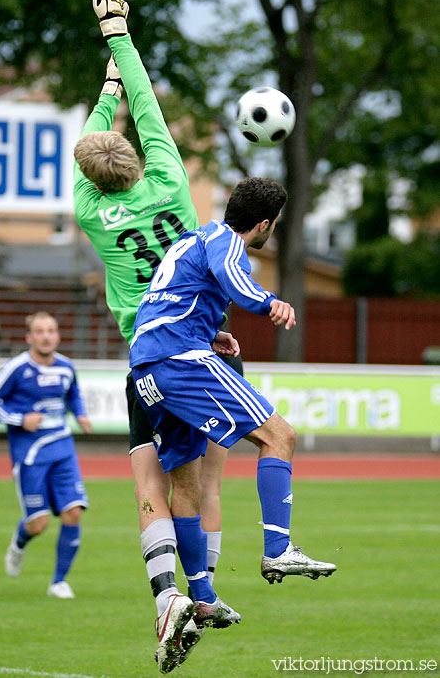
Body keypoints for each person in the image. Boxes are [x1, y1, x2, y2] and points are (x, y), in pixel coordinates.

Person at [73, 0, 239, 673]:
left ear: (90, 177)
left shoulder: (89, 210)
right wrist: (119, 38)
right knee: (204, 479)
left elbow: (99, 133)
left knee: (148, 470)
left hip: (146, 358)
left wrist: (101, 87)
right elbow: (145, 103)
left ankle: (171, 594)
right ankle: (200, 594)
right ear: (138, 160)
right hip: (200, 346)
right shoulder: (171, 181)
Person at [130, 177, 337, 620]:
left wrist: (211, 330)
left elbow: (164, 298)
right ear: (264, 224)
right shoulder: (226, 242)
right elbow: (236, 281)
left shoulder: (196, 237)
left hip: (147, 367)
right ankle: (278, 550)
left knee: (185, 484)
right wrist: (269, 302)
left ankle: (202, 598)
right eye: (274, 225)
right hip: (180, 359)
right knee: (280, 436)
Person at [0, 311, 92, 599]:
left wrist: (80, 414)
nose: (46, 336)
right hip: (30, 454)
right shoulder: (17, 368)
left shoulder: (66, 367)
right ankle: (19, 542)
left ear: (57, 335)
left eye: (51, 331)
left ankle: (59, 582)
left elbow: (74, 394)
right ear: (29, 337)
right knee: (38, 524)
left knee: (73, 512)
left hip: (63, 448)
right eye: (40, 331)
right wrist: (19, 419)